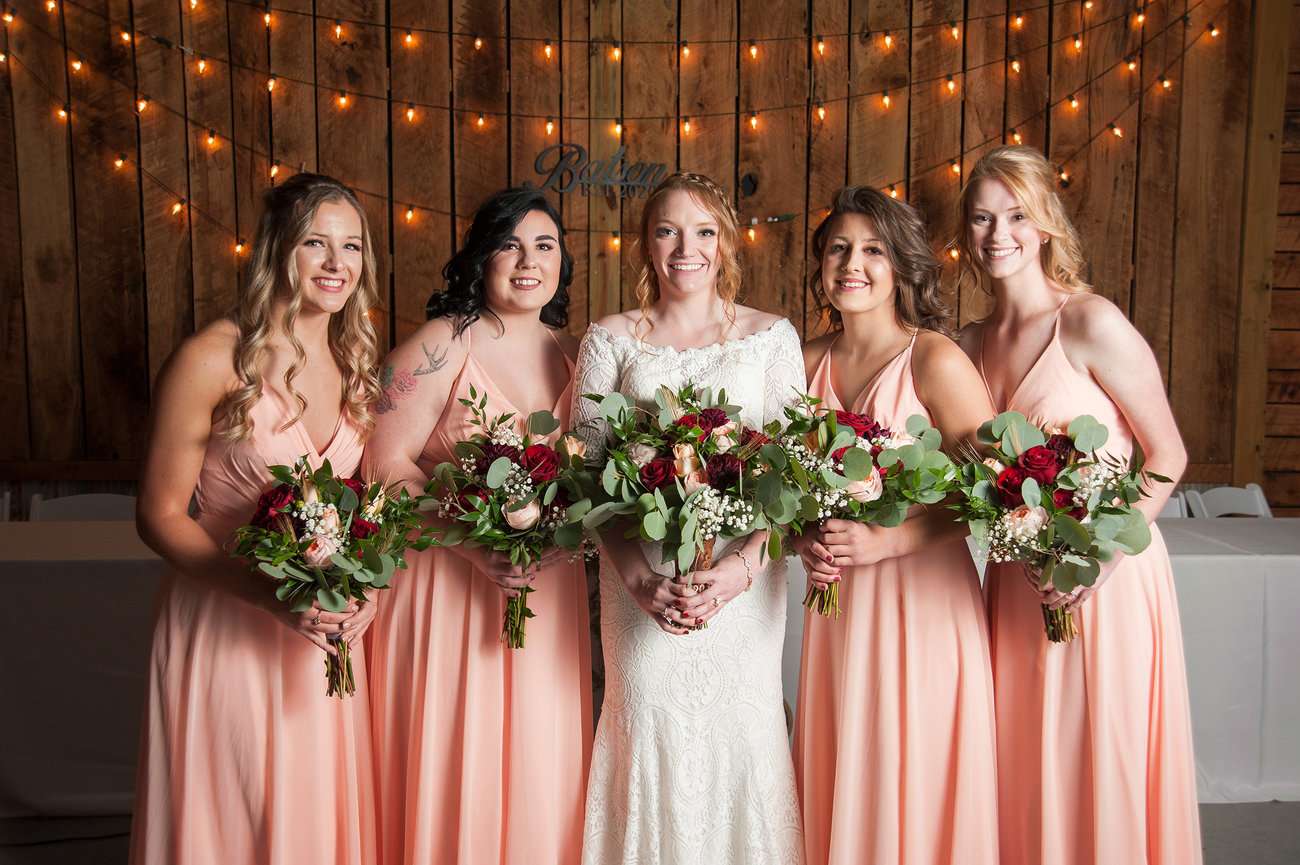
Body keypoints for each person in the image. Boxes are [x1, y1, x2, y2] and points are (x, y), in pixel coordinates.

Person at [955, 145, 1201, 865]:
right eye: (981, 218)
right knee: (1024, 760)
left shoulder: (1091, 323)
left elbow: (1169, 454)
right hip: (1015, 585)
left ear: (1045, 225)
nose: (999, 234)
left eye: (1016, 215)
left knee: (1101, 752)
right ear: (966, 233)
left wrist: (1098, 557)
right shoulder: (968, 345)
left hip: (1108, 575)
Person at [130, 173, 381, 864]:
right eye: (316, 244)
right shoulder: (213, 357)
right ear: (278, 250)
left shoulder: (356, 364)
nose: (337, 264)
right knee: (231, 811)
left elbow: (366, 514)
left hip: (319, 636)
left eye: (352, 246)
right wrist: (267, 594)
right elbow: (156, 515)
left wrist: (370, 592)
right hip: (227, 621)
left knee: (309, 815)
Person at [572, 172, 806, 864]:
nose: (686, 248)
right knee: (646, 726)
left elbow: (794, 477)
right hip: (641, 588)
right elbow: (588, 475)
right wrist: (641, 580)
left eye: (703, 230)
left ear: (726, 242)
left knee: (743, 731)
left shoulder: (770, 338)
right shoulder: (611, 339)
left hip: (742, 592)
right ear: (645, 245)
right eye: (668, 230)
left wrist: (739, 569)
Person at [362, 187, 592, 865]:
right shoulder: (442, 343)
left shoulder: (579, 353)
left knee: (541, 767)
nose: (528, 260)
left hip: (545, 592)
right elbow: (379, 461)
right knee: (454, 755)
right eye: (509, 244)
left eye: (544, 245)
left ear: (562, 262)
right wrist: (468, 539)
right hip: (447, 587)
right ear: (480, 258)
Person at [792, 186, 999, 865]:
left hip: (924, 604)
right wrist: (802, 538)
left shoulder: (935, 360)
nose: (853, 264)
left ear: (903, 265)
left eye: (873, 250)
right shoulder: (801, 364)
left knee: (912, 762)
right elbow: (783, 491)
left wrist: (892, 538)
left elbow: (989, 494)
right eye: (840, 248)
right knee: (847, 758)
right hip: (839, 608)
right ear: (821, 262)